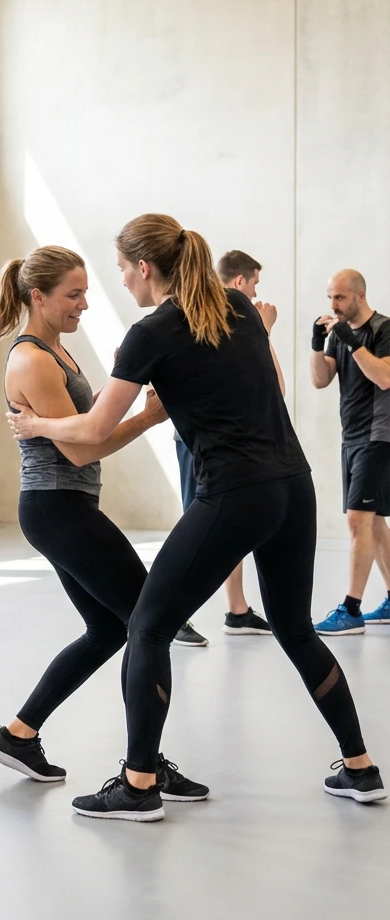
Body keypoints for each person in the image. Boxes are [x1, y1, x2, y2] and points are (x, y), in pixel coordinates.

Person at [9, 214, 384, 820]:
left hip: (234, 494)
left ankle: (138, 784)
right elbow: (274, 390)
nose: (122, 281)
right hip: (294, 485)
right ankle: (361, 769)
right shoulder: (237, 311)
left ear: (146, 268)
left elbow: (95, 429)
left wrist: (36, 425)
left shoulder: (150, 331)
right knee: (294, 627)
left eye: (124, 269)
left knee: (147, 628)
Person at [0, 245, 208, 808]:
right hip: (56, 506)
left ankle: (19, 733)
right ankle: (145, 770)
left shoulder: (57, 350)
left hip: (65, 507)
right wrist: (149, 417)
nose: (84, 304)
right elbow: (81, 450)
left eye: (85, 292)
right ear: (38, 296)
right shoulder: (32, 359)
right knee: (146, 623)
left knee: (111, 630)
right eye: (72, 294)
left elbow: (84, 426)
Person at [171, 249, 279, 644]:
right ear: (239, 283)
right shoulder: (221, 316)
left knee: (228, 526)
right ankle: (174, 614)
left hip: (221, 443)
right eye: (254, 284)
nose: (256, 291)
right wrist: (263, 330)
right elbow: (273, 387)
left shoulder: (226, 314)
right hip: (199, 440)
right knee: (196, 525)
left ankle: (237, 611)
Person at [310, 269, 390, 634]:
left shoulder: (384, 329)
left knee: (357, 519)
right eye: (330, 298)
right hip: (352, 437)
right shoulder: (339, 334)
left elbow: (384, 377)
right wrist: (317, 345)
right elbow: (321, 379)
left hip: (379, 435)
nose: (333, 305)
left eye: (339, 298)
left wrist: (353, 342)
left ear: (360, 295)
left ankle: (351, 610)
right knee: (373, 521)